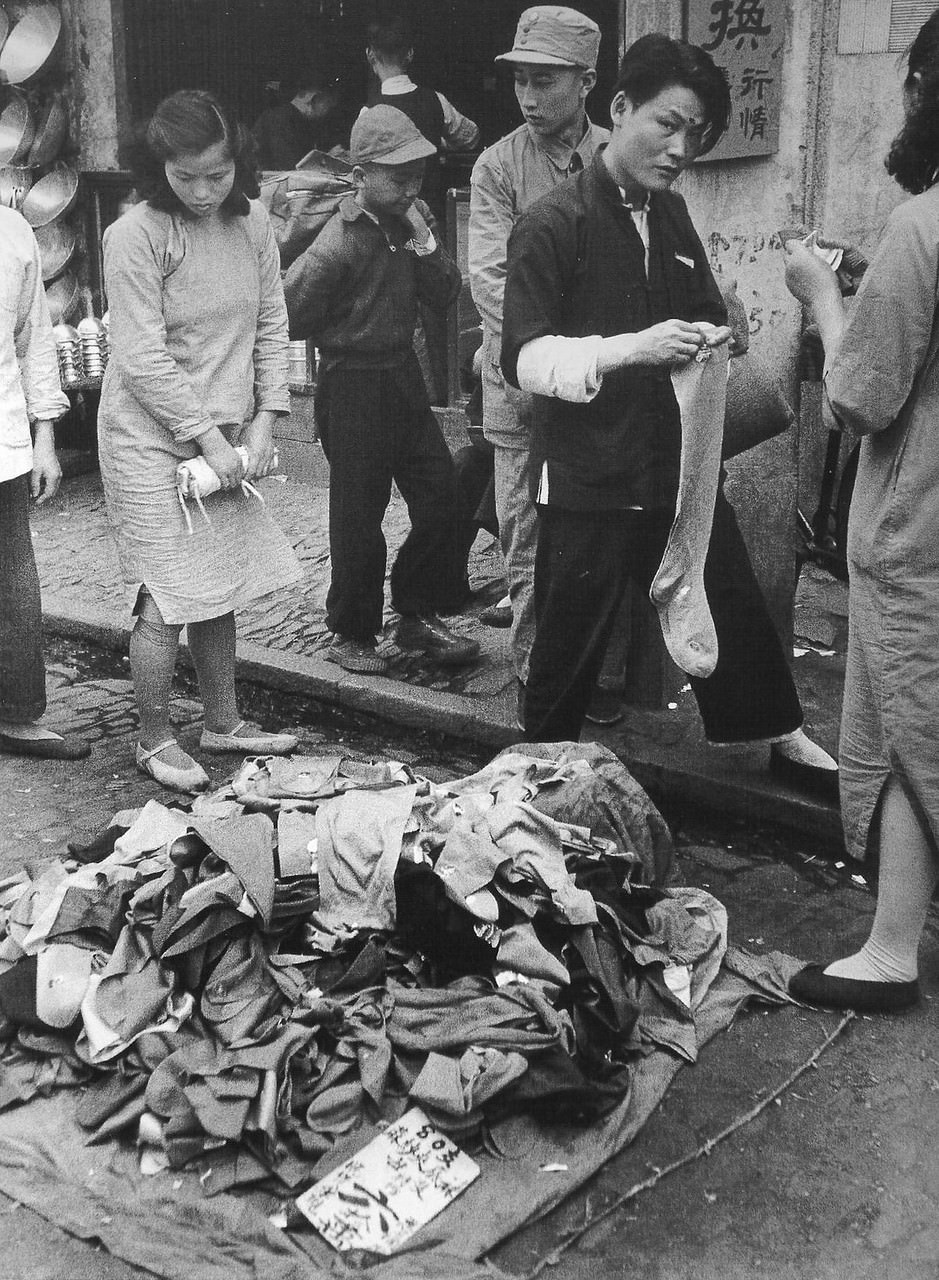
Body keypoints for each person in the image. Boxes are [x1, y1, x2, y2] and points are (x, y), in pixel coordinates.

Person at [500, 34, 839, 799]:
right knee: (567, 641)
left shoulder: (671, 213)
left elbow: (696, 312)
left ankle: (776, 732)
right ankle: (532, 785)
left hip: (674, 460)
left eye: (694, 134)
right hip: (587, 475)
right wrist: (633, 348)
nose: (679, 147)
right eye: (666, 124)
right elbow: (522, 360)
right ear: (619, 108)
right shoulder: (551, 224)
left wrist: (724, 327)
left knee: (728, 596)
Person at [783, 9, 939, 1013]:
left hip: (919, 533)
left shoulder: (921, 225)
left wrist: (819, 293)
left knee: (906, 734)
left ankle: (890, 948)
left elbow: (861, 394)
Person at [98, 90, 301, 794]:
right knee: (166, 592)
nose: (206, 190)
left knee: (220, 580)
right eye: (187, 177)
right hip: (149, 436)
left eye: (218, 174)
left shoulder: (253, 227)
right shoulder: (135, 236)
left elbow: (272, 323)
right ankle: (153, 738)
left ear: (237, 161)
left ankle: (224, 721)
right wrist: (209, 439)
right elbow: (142, 358)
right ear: (159, 169)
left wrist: (266, 419)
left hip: (226, 435)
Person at [283, 104, 479, 675]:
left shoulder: (412, 225)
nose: (410, 186)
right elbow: (292, 313)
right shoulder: (337, 241)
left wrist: (423, 237)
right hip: (351, 386)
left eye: (418, 174)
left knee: (443, 495)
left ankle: (415, 615)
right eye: (397, 176)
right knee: (358, 516)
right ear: (362, 175)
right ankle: (350, 633)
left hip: (402, 377)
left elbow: (445, 294)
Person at [470, 5, 609, 716]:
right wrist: (549, 358)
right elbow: (491, 281)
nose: (528, 96)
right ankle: (534, 678)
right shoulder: (497, 165)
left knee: (594, 533)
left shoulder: (619, 157)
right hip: (522, 387)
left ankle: (589, 674)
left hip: (602, 388)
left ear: (585, 82)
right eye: (520, 80)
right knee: (524, 537)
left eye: (545, 80)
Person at [0, 208, 90, 761]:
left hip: (4, 436)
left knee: (12, 573)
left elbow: (34, 342)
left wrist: (46, 435)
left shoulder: (12, 232)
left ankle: (17, 712)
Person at [366, 16, 480, 220]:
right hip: (431, 213)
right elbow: (471, 137)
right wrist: (438, 140)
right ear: (410, 54)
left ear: (370, 54)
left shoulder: (368, 112)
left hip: (387, 219)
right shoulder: (436, 100)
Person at [252, 66, 345, 171]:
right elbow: (288, 168)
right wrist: (327, 160)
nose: (328, 111)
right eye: (328, 103)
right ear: (315, 98)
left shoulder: (297, 120)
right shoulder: (280, 120)